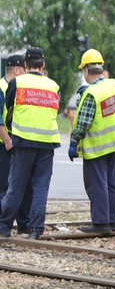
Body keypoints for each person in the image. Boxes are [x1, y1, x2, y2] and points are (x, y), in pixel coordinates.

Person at [0, 47, 60, 239]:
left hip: (23, 141)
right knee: (40, 187)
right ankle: (35, 229)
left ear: (25, 65)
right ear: (42, 65)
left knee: (16, 186)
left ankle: (4, 227)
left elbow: (9, 108)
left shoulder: (18, 82)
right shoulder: (53, 86)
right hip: (47, 143)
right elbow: (54, 112)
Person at [69, 49, 115, 235]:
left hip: (96, 146)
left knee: (96, 184)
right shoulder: (114, 85)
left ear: (86, 70)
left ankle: (100, 223)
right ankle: (113, 220)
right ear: (101, 67)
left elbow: (83, 123)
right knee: (110, 183)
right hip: (112, 143)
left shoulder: (91, 93)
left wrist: (73, 143)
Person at [0, 53, 32, 234]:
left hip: (14, 141)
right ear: (18, 70)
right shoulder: (4, 87)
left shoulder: (15, 85)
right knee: (4, 186)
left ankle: (20, 223)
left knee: (18, 184)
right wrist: (7, 140)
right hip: (5, 143)